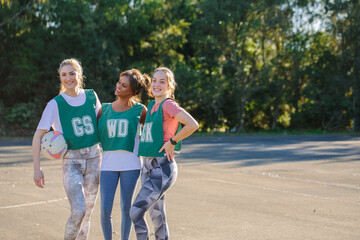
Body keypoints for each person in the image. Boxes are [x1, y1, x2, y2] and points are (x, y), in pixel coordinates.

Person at [32, 58, 102, 240]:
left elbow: (102, 128)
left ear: (80, 74)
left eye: (72, 73)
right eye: (64, 75)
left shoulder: (92, 96)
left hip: (95, 158)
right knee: (79, 210)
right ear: (60, 78)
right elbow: (37, 136)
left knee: (87, 214)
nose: (68, 78)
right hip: (72, 161)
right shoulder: (55, 104)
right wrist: (37, 169)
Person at [130, 67, 199, 240]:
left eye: (162, 81)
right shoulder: (152, 105)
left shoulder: (168, 104)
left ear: (170, 86)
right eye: (154, 80)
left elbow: (193, 124)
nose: (156, 84)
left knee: (136, 211)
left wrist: (172, 142)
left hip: (162, 167)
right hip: (147, 167)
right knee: (157, 216)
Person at [98, 69, 150, 240]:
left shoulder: (141, 110)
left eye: (124, 85)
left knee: (126, 208)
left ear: (133, 92)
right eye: (119, 82)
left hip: (131, 164)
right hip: (107, 164)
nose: (119, 86)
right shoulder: (103, 109)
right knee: (105, 209)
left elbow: (153, 131)